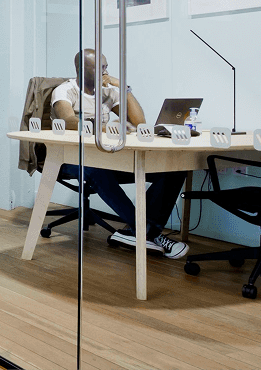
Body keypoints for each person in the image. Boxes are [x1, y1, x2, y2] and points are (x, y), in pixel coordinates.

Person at [51, 49, 190, 259]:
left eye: (106, 66)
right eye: (100, 67)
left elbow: (139, 122)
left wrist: (124, 88)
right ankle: (147, 232)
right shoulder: (65, 90)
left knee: (173, 170)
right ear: (81, 69)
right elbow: (68, 121)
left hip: (106, 155)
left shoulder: (108, 92)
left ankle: (137, 233)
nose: (105, 72)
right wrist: (104, 128)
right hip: (71, 158)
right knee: (95, 170)